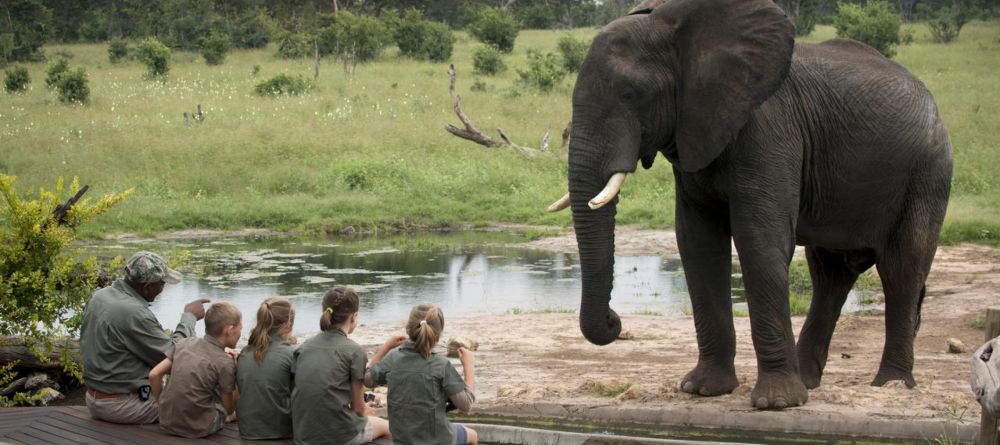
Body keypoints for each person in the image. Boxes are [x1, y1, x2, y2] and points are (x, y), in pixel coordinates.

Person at [80, 251, 210, 424]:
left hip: (94, 398)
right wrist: (189, 317)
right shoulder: (134, 312)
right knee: (206, 403)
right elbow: (176, 355)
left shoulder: (100, 296)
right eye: (162, 283)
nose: (163, 289)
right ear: (147, 286)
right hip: (123, 405)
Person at [291, 286, 404, 445]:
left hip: (303, 434)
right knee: (391, 427)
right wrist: (367, 411)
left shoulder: (303, 348)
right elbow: (359, 409)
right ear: (354, 317)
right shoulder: (355, 351)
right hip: (338, 436)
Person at [365, 303, 479, 445]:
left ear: (408, 330)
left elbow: (367, 380)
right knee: (472, 436)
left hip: (402, 439)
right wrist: (469, 366)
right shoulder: (441, 365)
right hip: (438, 440)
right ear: (438, 336)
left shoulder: (393, 359)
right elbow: (466, 404)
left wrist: (385, 347)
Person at [149, 302, 242, 439]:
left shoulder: (184, 343)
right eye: (240, 328)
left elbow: (154, 374)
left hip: (166, 421)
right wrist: (235, 370)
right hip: (198, 428)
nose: (241, 332)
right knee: (231, 409)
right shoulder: (224, 363)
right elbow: (228, 408)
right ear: (229, 330)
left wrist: (160, 403)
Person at [236, 297, 296, 440]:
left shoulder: (245, 352)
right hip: (280, 430)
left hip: (247, 430)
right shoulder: (290, 354)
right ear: (287, 324)